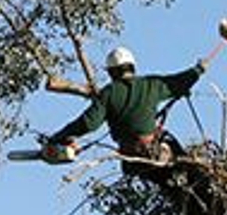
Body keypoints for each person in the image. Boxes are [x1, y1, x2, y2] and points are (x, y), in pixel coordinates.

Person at [49, 46, 207, 174]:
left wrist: (60, 136)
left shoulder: (108, 93)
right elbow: (178, 82)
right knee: (179, 156)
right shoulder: (150, 85)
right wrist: (198, 70)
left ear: (111, 72)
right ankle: (189, 175)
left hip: (131, 162)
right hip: (155, 152)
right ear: (132, 67)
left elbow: (88, 124)